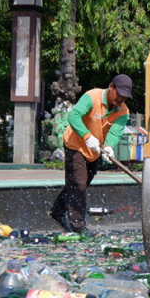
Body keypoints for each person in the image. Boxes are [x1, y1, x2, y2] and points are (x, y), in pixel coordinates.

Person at [49, 74, 132, 234]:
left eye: (124, 97)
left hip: (94, 150)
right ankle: (78, 226)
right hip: (76, 144)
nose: (120, 99)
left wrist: (108, 147)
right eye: (119, 94)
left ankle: (57, 211)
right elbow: (73, 116)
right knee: (78, 184)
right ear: (111, 87)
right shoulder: (92, 97)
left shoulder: (123, 112)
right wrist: (87, 136)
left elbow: (115, 133)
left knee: (80, 183)